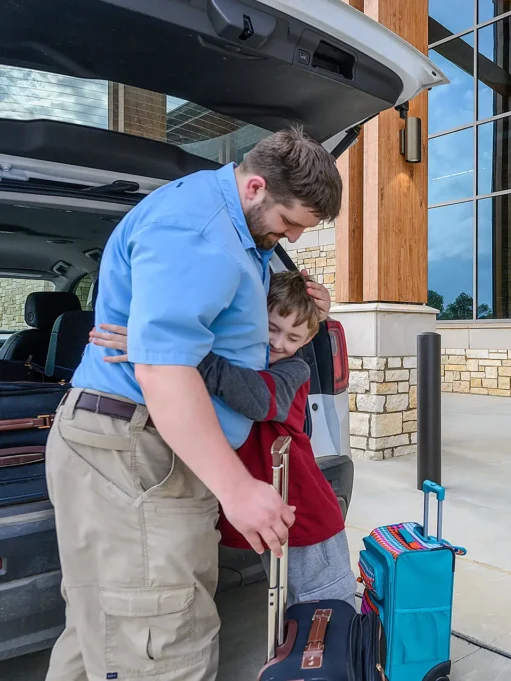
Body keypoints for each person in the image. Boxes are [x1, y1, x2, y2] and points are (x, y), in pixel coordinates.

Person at [44, 127, 342, 681]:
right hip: (139, 451)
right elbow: (164, 369)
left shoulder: (231, 226)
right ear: (255, 187)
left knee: (104, 633)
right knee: (163, 641)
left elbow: (227, 332)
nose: (295, 239)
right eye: (291, 223)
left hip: (141, 446)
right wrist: (236, 489)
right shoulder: (200, 230)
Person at [90, 270, 357, 609]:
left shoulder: (294, 371)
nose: (278, 342)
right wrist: (156, 347)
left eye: (293, 337)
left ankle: (345, 661)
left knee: (326, 609)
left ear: (305, 342)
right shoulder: (233, 352)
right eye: (272, 328)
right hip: (261, 509)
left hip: (303, 511)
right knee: (286, 613)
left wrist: (170, 352)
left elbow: (257, 400)